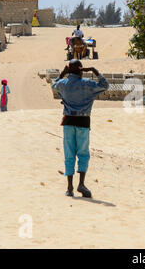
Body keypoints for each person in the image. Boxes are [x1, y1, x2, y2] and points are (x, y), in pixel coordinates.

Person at [52, 59, 109, 197]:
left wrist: (62, 74)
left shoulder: (63, 84)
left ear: (69, 70)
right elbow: (105, 85)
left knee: (69, 153)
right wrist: (95, 72)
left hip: (68, 122)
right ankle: (81, 184)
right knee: (83, 153)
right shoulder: (87, 84)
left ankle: (69, 187)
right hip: (83, 122)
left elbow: (54, 86)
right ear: (80, 70)